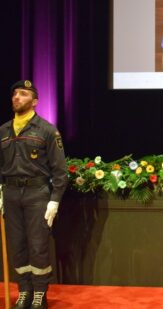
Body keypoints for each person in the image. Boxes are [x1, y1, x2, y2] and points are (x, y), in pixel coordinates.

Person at [0, 80, 68, 309]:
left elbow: (60, 171)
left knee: (38, 245)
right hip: (10, 194)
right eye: (14, 94)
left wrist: (54, 201)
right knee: (17, 245)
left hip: (36, 193)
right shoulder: (3, 131)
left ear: (35, 102)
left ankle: (39, 292)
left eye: (23, 94)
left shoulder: (47, 130)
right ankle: (24, 290)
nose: (16, 97)